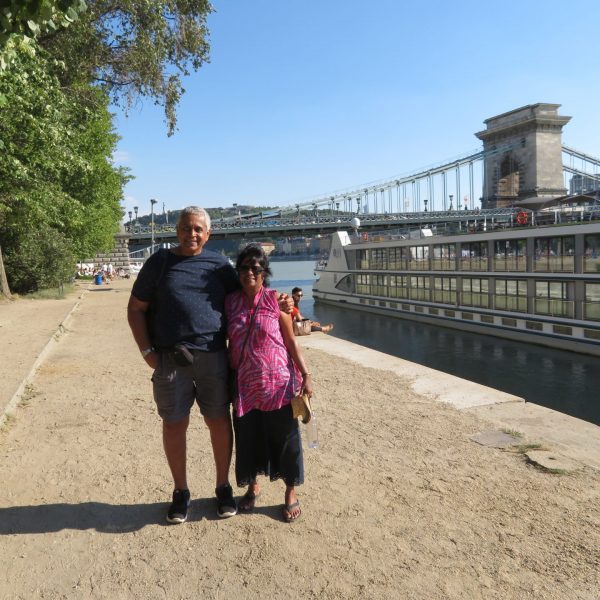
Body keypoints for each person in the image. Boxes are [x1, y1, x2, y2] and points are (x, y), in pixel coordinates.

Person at [127, 206, 292, 524]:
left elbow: (250, 295)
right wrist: (147, 351)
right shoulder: (159, 263)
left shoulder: (219, 266)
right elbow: (135, 309)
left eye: (198, 229)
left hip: (214, 358)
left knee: (218, 421)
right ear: (176, 230)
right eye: (186, 228)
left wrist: (281, 302)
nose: (192, 234)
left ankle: (223, 487)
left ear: (208, 234)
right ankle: (181, 492)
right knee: (174, 424)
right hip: (170, 359)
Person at [226, 245, 313, 523]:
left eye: (255, 267)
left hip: (278, 385)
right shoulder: (229, 302)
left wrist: (306, 374)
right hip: (245, 386)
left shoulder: (276, 300)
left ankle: (290, 491)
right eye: (244, 267)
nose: (249, 272)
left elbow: (290, 341)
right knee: (249, 438)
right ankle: (253, 486)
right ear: (238, 271)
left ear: (264, 273)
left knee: (286, 440)